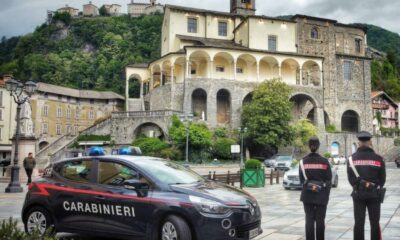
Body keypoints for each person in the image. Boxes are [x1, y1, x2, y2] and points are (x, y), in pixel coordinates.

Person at [347, 131, 386, 240]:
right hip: (374, 195)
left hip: (358, 194)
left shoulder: (351, 159)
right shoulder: (379, 158)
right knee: (374, 223)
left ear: (358, 142)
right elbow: (382, 179)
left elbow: (351, 179)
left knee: (359, 223)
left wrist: (359, 186)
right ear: (370, 141)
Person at [299, 136, 332, 240]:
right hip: (321, 194)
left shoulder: (302, 162)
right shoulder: (325, 161)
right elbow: (329, 180)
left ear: (309, 146)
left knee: (309, 220)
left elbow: (301, 180)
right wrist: (325, 194)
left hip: (307, 194)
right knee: (320, 220)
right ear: (318, 146)